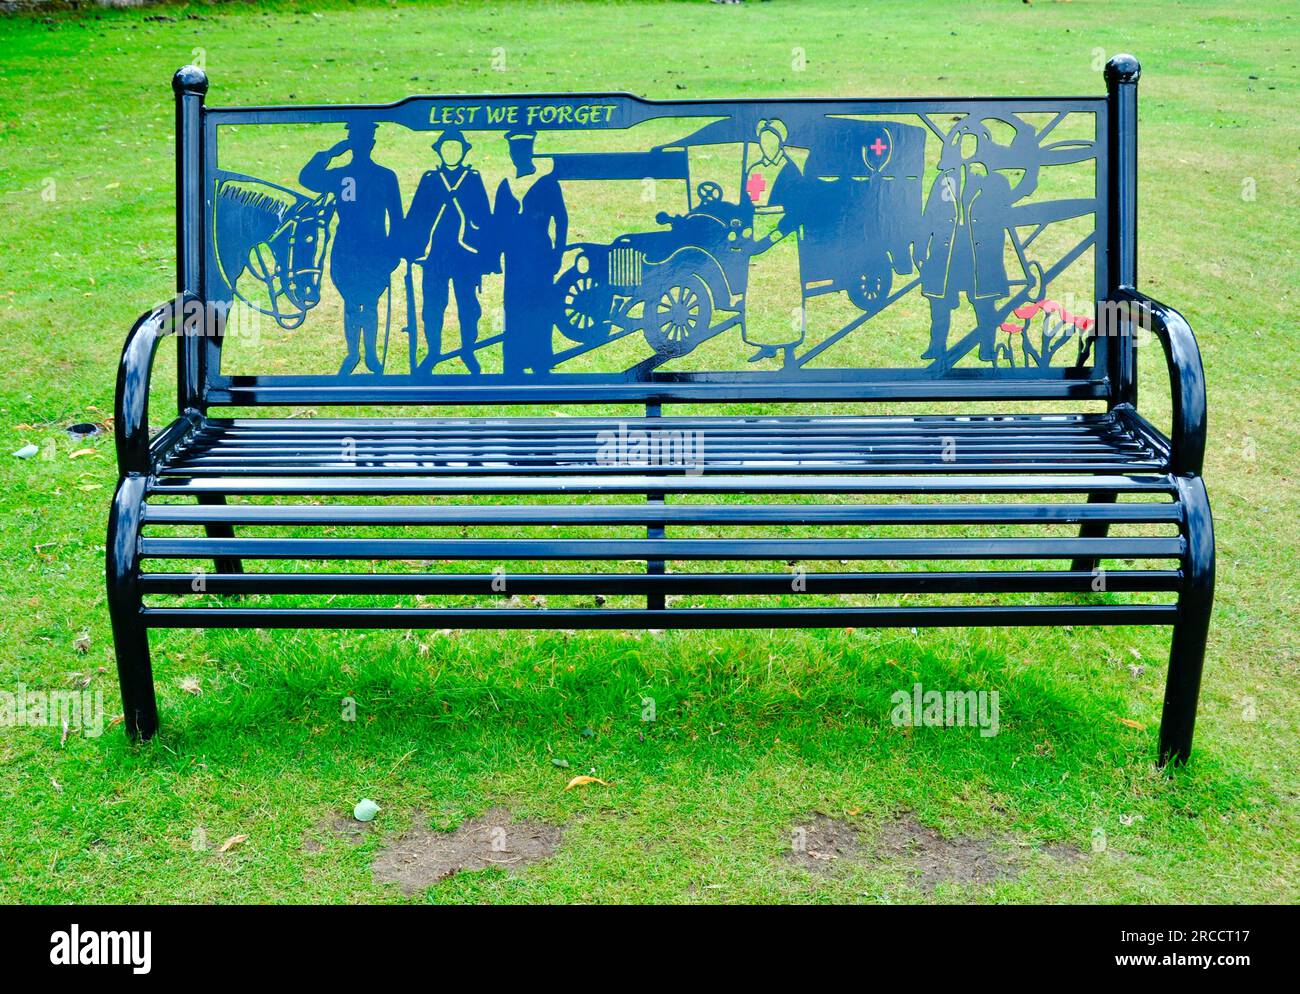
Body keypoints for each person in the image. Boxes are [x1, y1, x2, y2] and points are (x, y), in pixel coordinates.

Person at [298, 120, 402, 375]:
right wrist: (330, 154)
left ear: (372, 143)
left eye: (364, 139)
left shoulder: (386, 177)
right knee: (352, 301)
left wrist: (395, 251)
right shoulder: (340, 176)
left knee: (371, 301)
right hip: (346, 248)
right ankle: (353, 353)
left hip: (376, 248)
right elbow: (307, 178)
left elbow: (397, 218)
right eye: (355, 140)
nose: (360, 145)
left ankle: (372, 355)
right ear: (350, 144)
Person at [916, 116, 1014, 368]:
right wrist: (920, 244)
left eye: (974, 145)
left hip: (978, 250)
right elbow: (930, 214)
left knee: (983, 303)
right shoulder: (945, 180)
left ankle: (987, 347)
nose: (968, 152)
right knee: (939, 303)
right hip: (947, 248)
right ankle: (936, 345)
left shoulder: (996, 182)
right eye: (963, 145)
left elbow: (1003, 215)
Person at [402, 128, 492, 374]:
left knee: (469, 306)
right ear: (439, 151)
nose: (451, 153)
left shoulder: (473, 178)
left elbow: (484, 216)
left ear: (464, 152)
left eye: (456, 148)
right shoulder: (430, 179)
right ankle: (433, 353)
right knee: (432, 306)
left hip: (466, 255)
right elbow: (417, 215)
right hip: (435, 256)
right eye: (446, 148)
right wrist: (408, 246)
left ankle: (468, 350)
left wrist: (486, 255)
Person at [492, 130, 568, 376]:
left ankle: (540, 358)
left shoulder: (547, 184)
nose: (518, 157)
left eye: (523, 152)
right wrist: (494, 254)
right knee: (514, 306)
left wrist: (558, 253)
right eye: (515, 153)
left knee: (540, 305)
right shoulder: (505, 184)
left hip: (540, 255)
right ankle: (514, 360)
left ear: (531, 153)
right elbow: (497, 222)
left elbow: (562, 219)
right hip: (514, 257)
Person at [740, 118, 807, 366]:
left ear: (780, 142)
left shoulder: (790, 171)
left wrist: (773, 238)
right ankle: (764, 344)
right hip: (757, 237)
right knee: (758, 294)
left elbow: (797, 211)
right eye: (763, 140)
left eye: (772, 140)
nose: (767, 145)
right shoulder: (754, 169)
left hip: (782, 240)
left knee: (786, 293)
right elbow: (747, 203)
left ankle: (789, 348)